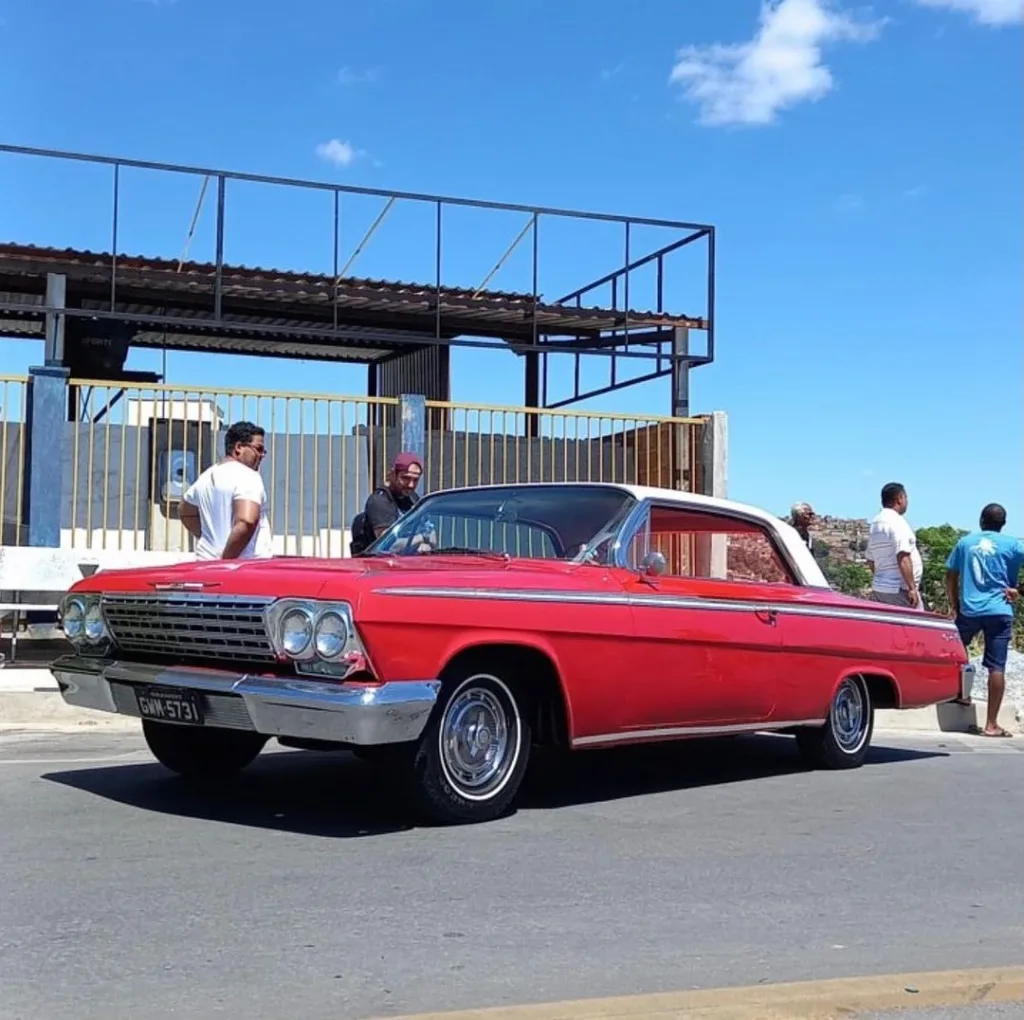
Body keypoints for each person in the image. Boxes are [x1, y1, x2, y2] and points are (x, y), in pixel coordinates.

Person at [945, 503, 1024, 738]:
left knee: (957, 651)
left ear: (981, 520)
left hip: (969, 609)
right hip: (1000, 610)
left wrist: (954, 605)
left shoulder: (965, 543)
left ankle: (962, 694)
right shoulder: (1014, 545)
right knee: (996, 667)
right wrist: (1019, 590)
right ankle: (991, 724)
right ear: (1003, 524)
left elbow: (951, 575)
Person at [180, 420, 272, 560]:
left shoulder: (205, 477)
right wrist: (225, 560)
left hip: (205, 565)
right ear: (239, 447)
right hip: (244, 570)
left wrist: (209, 539)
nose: (262, 455)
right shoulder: (248, 476)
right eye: (258, 449)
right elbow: (246, 521)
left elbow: (185, 511)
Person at [349, 451, 426, 555]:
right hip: (383, 566)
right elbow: (387, 545)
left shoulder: (413, 499)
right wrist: (420, 539)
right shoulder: (380, 501)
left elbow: (432, 536)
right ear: (393, 474)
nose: (411, 485)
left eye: (415, 480)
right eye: (405, 478)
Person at [865, 482, 922, 608]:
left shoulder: (876, 523)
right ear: (900, 499)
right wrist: (911, 588)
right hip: (899, 590)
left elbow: (870, 559)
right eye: (906, 498)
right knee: (913, 625)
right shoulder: (896, 522)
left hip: (881, 589)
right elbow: (903, 555)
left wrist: (882, 579)